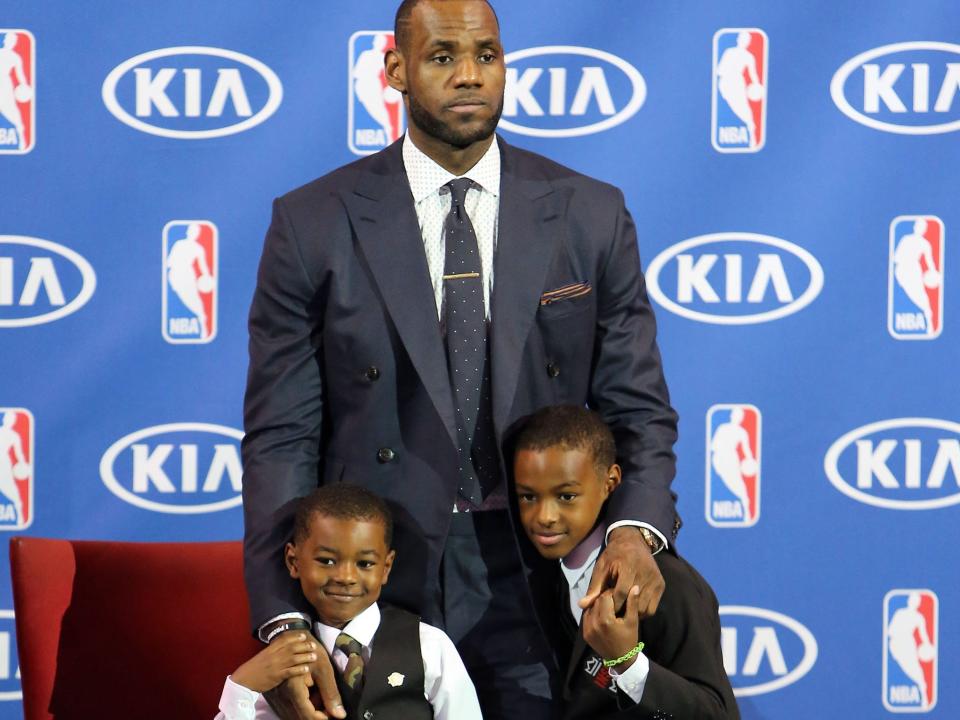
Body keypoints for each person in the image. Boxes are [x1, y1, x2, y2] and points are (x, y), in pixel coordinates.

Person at [241, 1, 679, 717]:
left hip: (540, 565)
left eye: (488, 56)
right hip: (376, 573)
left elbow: (639, 411)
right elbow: (280, 439)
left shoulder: (590, 213)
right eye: (443, 57)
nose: (470, 76)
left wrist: (633, 533)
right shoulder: (312, 224)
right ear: (396, 70)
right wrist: (288, 623)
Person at [513, 405, 739, 719]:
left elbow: (717, 715)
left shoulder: (666, 582)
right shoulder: (540, 578)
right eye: (528, 496)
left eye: (566, 496)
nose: (544, 517)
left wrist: (627, 662)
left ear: (611, 481)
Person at [217, 484, 482, 720]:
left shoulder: (431, 647)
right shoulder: (285, 662)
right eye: (327, 561)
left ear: (386, 567)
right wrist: (241, 685)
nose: (345, 577)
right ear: (293, 561)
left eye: (365, 563)